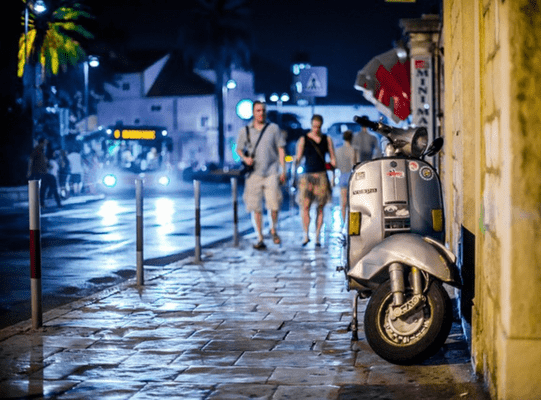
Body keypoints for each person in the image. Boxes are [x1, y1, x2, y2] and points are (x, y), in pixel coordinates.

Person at [236, 100, 286, 250]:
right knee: (255, 207)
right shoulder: (245, 130)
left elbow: (281, 149)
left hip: (271, 171)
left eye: (263, 110)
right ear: (253, 112)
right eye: (258, 110)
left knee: (274, 204)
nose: (261, 113)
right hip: (254, 174)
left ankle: (273, 229)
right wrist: (245, 158)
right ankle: (260, 237)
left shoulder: (273, 129)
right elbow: (239, 149)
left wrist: (283, 170)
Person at [295, 114, 336, 247]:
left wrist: (333, 172)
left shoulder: (326, 139)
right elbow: (298, 157)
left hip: (321, 175)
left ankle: (317, 236)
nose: (316, 129)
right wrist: (293, 169)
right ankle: (306, 234)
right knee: (305, 206)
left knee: (320, 207)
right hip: (307, 176)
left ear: (321, 126)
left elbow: (332, 157)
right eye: (314, 126)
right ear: (311, 125)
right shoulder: (304, 139)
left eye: (318, 127)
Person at [27, 138, 62, 207]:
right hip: (38, 172)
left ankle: (55, 203)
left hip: (44, 173)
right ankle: (55, 203)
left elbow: (43, 161)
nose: (46, 144)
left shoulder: (42, 150)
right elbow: (31, 160)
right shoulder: (37, 149)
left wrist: (48, 165)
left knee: (45, 187)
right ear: (41, 143)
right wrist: (29, 171)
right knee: (46, 186)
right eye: (45, 143)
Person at [335, 130, 357, 224]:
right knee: (353, 203)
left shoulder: (338, 150)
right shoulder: (353, 149)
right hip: (351, 177)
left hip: (342, 176)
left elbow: (336, 165)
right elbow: (354, 164)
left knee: (343, 203)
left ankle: (344, 224)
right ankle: (352, 224)